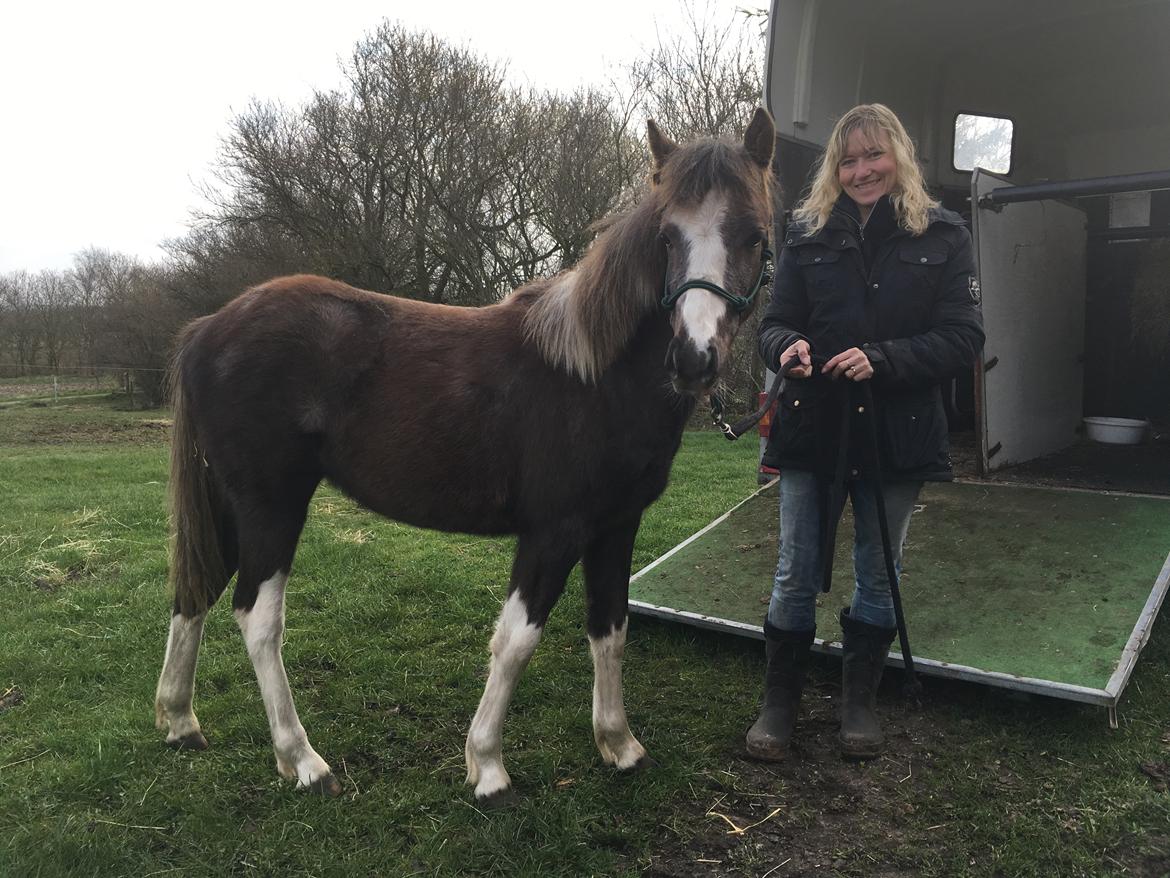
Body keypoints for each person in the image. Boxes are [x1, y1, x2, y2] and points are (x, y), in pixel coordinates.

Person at [746, 104, 985, 761]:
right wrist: (787, 347)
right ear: (835, 169)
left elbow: (964, 337)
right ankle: (779, 706)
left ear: (899, 156)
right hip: (812, 427)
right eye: (848, 161)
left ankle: (859, 705)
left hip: (897, 433)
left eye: (873, 155)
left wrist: (882, 358)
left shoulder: (945, 235)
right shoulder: (806, 232)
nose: (861, 171)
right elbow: (774, 324)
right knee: (795, 569)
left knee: (879, 572)